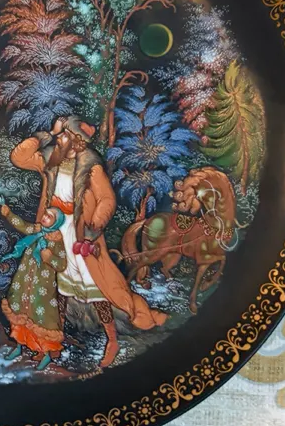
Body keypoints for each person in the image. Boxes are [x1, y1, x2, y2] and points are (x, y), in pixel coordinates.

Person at [10, 116, 167, 367]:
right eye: (61, 135)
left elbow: (106, 199)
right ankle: (55, 339)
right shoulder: (52, 159)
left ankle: (112, 340)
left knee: (95, 286)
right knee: (56, 288)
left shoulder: (90, 166)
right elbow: (19, 157)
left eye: (64, 135)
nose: (60, 138)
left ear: (76, 141)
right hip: (53, 233)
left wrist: (94, 226)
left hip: (81, 234)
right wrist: (45, 135)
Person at [0, 204, 67, 371]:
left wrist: (49, 257)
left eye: (49, 217)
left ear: (56, 222)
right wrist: (8, 213)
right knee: (19, 310)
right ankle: (19, 346)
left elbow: (62, 264)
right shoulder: (36, 230)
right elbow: (22, 225)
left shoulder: (57, 240)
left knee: (41, 317)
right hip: (23, 281)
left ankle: (45, 353)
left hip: (41, 287)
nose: (44, 217)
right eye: (45, 214)